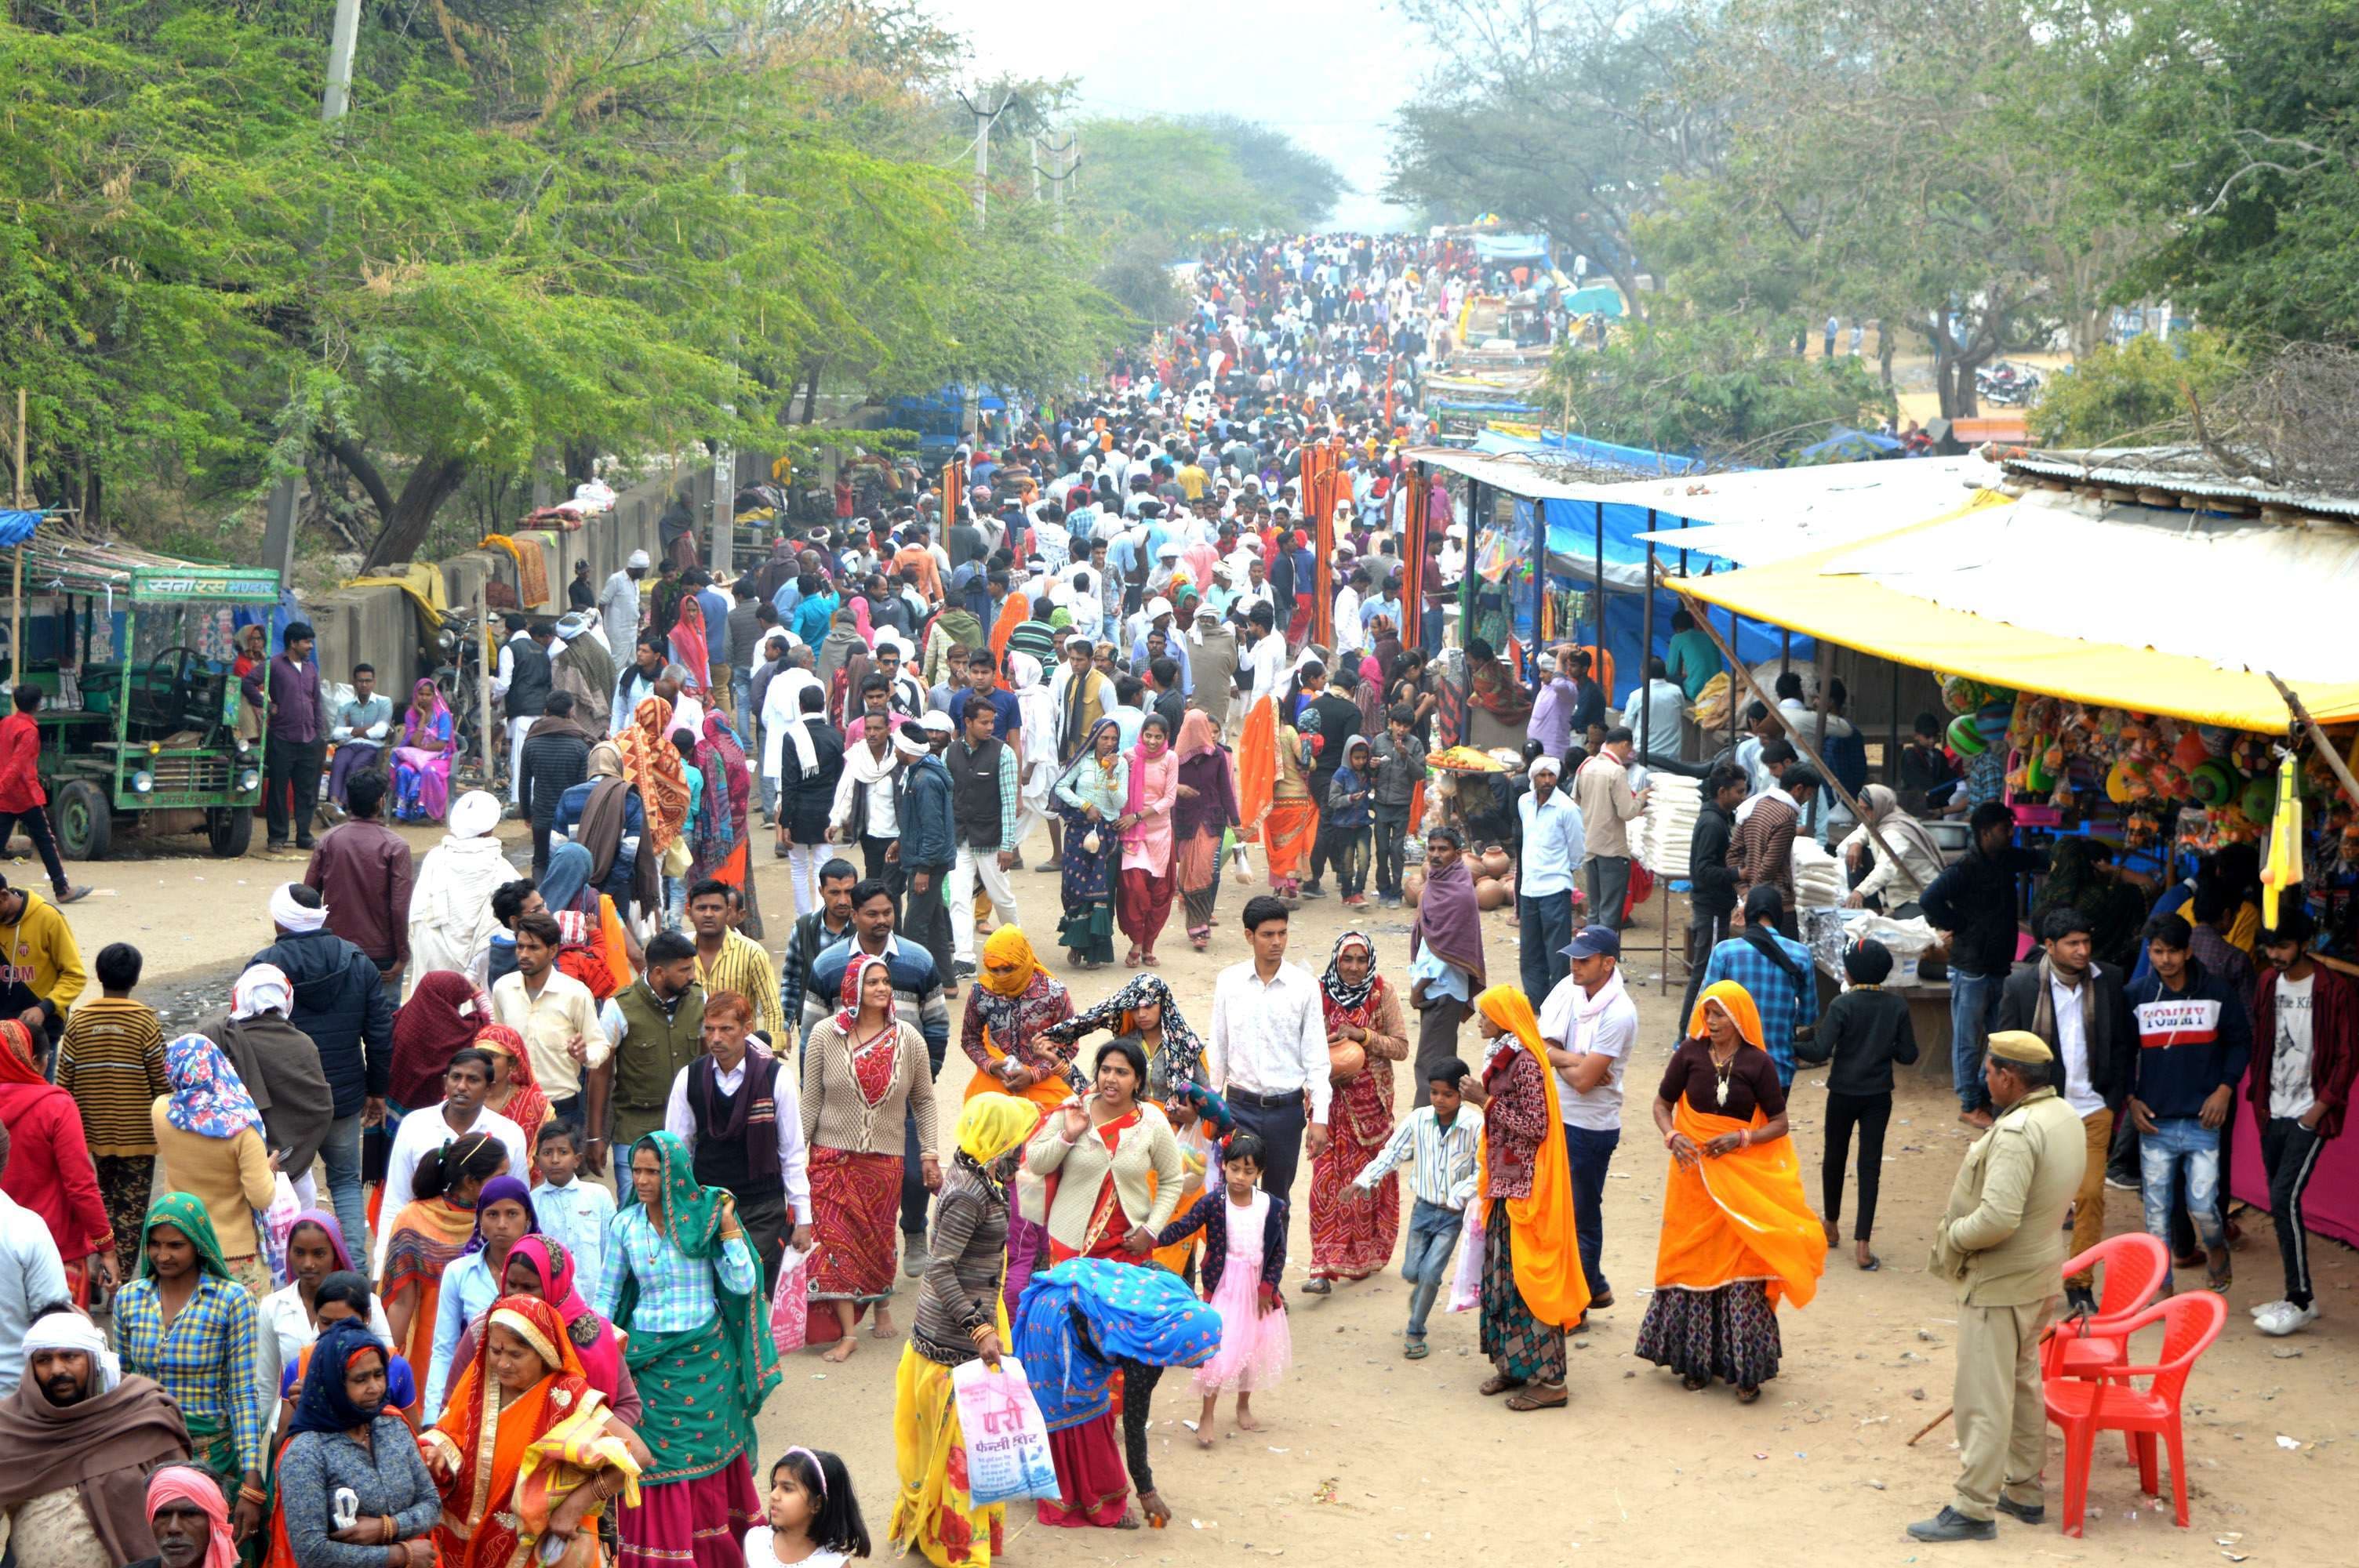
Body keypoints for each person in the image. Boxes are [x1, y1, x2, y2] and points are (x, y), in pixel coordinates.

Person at [1910, 1031, 2088, 1543]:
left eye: (1988, 1071)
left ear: (2008, 1077)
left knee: (1982, 1398)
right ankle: (2024, 1490)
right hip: (2038, 1275)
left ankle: (1973, 1507)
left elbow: (1997, 1218)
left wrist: (1954, 1239)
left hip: (2000, 1281)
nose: (1984, 1078)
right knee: (2022, 1384)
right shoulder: (2064, 1117)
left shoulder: (2017, 1132)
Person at [594, 1132, 780, 1566]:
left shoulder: (706, 1221)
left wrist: (730, 1226)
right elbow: (606, 1297)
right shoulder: (624, 1226)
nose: (640, 1180)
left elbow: (741, 1284)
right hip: (647, 1365)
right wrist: (595, 1352)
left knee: (711, 1462)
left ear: (674, 1175)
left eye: (652, 1172)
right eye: (637, 1170)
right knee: (653, 1464)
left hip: (707, 1360)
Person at [1636, 981, 1826, 1403]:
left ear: (1740, 1018)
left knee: (1742, 1265)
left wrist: (1741, 1139)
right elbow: (1661, 1104)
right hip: (1692, 1179)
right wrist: (1672, 1137)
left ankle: (1747, 1370)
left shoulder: (1758, 1064)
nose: (1712, 1021)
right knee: (1694, 1261)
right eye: (1708, 1013)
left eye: (1720, 1014)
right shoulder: (1688, 1054)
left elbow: (1780, 1123)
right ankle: (1694, 1363)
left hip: (1742, 1182)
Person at [889, 1097, 1035, 1568]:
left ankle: (947, 1539)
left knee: (972, 1449)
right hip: (952, 1342)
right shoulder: (968, 1193)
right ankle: (956, 1549)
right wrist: (979, 1329)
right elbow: (940, 1268)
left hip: (967, 1328)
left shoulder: (979, 1174)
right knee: (963, 1452)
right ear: (997, 1142)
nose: (1022, 1153)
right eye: (1016, 1143)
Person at [420, 1293, 649, 1568]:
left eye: (516, 1354)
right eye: (495, 1351)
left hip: (537, 1549)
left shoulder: (567, 1395)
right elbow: (450, 1431)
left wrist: (573, 1506)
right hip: (468, 1544)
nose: (503, 1363)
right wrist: (437, 1452)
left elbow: (638, 1455)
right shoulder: (480, 1382)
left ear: (544, 1352)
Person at [1012, 1255, 1220, 1532]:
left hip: (1077, 1279)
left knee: (1093, 1406)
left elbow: (1149, 1267)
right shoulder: (1145, 1356)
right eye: (1196, 1354)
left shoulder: (1180, 1294)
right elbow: (1134, 1426)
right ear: (1177, 1341)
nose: (1202, 1364)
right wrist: (1147, 1492)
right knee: (1076, 1409)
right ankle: (1080, 1497)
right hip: (1055, 1318)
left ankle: (1054, 1482)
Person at [1994, 906, 2134, 1308]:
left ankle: (2080, 1284)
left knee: (2090, 1195)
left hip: (2093, 1108)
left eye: (2086, 942)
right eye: (2072, 943)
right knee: (2036, 1200)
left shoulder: (2109, 981)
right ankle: (2028, 1279)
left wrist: (2115, 1095)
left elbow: (2122, 1043)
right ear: (2049, 946)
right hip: (2043, 1110)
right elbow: (2006, 1051)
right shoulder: (2021, 987)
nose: (2082, 950)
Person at [801, 954, 940, 1359]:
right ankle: (847, 1333)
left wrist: (929, 1152)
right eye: (872, 982)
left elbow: (925, 1101)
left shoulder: (909, 1039)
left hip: (884, 1157)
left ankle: (881, 1304)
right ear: (852, 990)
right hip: (831, 1154)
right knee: (836, 1243)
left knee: (877, 1239)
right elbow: (811, 1101)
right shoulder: (826, 1035)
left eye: (885, 982)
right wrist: (793, 1160)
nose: (882, 989)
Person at [114, 1194, 267, 1537]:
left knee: (212, 1546)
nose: (162, 1255)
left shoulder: (232, 1300)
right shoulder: (129, 1298)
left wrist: (251, 1478)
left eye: (175, 1245)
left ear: (198, 1244)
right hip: (145, 1452)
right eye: (154, 1244)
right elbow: (120, 1385)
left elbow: (243, 1393)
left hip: (212, 1457)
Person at [0, 1308, 192, 1566]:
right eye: (44, 1360)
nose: (57, 1369)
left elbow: (188, 1503)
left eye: (70, 1356)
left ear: (93, 1360)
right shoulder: (13, 1426)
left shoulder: (141, 1413)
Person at [2125, 913, 2250, 1294]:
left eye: (2173, 952)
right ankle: (2161, 1288)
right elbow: (2119, 1054)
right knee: (2157, 1214)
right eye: (2158, 951)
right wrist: (2130, 1100)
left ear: (2188, 951)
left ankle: (2216, 1247)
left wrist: (2226, 1088)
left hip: (2203, 1122)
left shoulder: (2217, 992)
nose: (2165, 960)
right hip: (2155, 1123)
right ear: (2150, 951)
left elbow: (2240, 1041)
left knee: (2203, 1207)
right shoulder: (2135, 997)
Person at [666, 989, 812, 1293]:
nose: (716, 1038)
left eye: (726, 1029)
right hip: (709, 1206)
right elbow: (678, 1151)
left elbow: (792, 1153)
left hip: (762, 1206)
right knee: (714, 1291)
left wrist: (803, 1218)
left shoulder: (775, 1078)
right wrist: (677, 1210)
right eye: (710, 1029)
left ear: (746, 1029)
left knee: (752, 1289)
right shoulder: (689, 1079)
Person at [1154, 1129, 1292, 1443]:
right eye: (1234, 1168)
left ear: (1260, 1173)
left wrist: (1267, 1289)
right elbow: (1185, 1226)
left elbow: (1278, 1251)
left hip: (1257, 1291)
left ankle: (1243, 1404)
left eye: (1248, 1171)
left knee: (1252, 1349)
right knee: (1218, 1349)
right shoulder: (1213, 1203)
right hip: (1226, 1285)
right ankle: (1207, 1413)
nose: (1240, 1177)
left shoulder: (1272, 1206)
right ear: (1224, 1166)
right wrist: (1152, 1237)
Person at [273, 1316, 442, 1568]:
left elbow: (432, 1504)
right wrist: (399, 1556)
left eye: (379, 1374)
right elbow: (312, 1552)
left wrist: (386, 1528)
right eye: (360, 1380)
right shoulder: (307, 1452)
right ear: (333, 1385)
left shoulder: (393, 1427)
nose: (375, 1388)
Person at [1921, 801, 2044, 1128]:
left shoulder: (2005, 861)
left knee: (1997, 1037)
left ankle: (1984, 1094)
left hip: (1999, 965)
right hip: (1970, 967)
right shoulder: (1963, 869)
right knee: (1966, 1038)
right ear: (1986, 832)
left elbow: (2039, 858)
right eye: (2006, 828)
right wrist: (1958, 924)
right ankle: (1969, 1104)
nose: (2011, 832)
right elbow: (1928, 899)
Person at [1800, 939, 1920, 1271]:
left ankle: (1832, 1226)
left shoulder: (1842, 1005)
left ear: (1851, 973)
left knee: (1834, 1157)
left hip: (1842, 1093)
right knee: (1870, 1166)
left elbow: (1821, 1050)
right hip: (1878, 1096)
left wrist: (1789, 1042)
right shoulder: (1896, 1007)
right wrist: (1887, 1047)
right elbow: (1909, 1055)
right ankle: (1863, 1246)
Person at [1536, 926, 1637, 1315]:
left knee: (1580, 1215)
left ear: (1608, 963)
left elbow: (1581, 1083)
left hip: (1590, 1127)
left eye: (1585, 959)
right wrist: (1577, 1058)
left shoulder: (1619, 1013)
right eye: (1574, 957)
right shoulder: (1568, 989)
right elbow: (1542, 1044)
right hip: (1557, 1115)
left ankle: (1576, 1305)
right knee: (1557, 1211)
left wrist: (1561, 1057)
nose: (1575, 965)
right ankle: (1594, 1287)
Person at [1207, 896, 1332, 1204]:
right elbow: (1218, 1047)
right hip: (1239, 1109)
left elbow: (1317, 1057)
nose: (1277, 942)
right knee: (1233, 1197)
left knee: (1277, 1203)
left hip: (1286, 1113)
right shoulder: (1229, 982)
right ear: (1249, 936)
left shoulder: (1304, 986)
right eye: (1267, 935)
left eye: (1282, 933)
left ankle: (1273, 1254)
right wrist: (1210, 1108)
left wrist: (1321, 1117)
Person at [1300, 932, 1407, 1294]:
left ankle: (1364, 1257)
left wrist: (1363, 1036)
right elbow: (1300, 1043)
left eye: (1361, 960)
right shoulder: (1317, 993)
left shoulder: (1382, 993)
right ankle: (1322, 1266)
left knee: (1366, 1183)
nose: (1354, 968)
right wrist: (1324, 1048)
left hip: (1371, 1108)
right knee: (1325, 1182)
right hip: (1327, 1105)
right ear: (1336, 960)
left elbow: (1401, 1047)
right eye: (1348, 960)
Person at [55, 941, 169, 1281]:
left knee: (99, 1207)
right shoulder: (144, 1021)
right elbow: (161, 1081)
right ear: (135, 978)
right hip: (139, 1139)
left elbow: (64, 1084)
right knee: (131, 1216)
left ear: (98, 975)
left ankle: (98, 1273)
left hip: (91, 1137)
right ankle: (118, 1283)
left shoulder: (79, 1021)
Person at [1354, 1056, 1480, 1359]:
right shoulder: (1418, 1119)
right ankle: (1420, 1289)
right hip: (1423, 1208)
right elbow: (1393, 1152)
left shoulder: (1476, 1125)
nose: (1440, 1099)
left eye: (1448, 1094)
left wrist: (1460, 1196)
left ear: (1462, 1093)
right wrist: (1363, 1180)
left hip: (1452, 1214)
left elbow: (1483, 1168)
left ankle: (1415, 1330)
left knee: (1432, 1273)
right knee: (1412, 1270)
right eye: (1435, 1092)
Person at [196, 964, 333, 1215]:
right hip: (292, 1176)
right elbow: (320, 1108)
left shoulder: (216, 1039)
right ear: (286, 999)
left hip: (230, 1173)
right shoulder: (303, 1045)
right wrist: (287, 1157)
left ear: (241, 996)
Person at [147, 1033, 277, 1298]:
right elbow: (261, 1198)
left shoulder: (162, 1112)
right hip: (236, 1254)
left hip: (184, 1244)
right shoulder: (242, 1127)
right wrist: (267, 1171)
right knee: (245, 1334)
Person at [379, 1131, 509, 1381]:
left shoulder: (501, 1220)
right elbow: (401, 1303)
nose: (506, 1183)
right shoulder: (414, 1220)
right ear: (472, 1182)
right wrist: (387, 1369)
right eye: (500, 1176)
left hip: (494, 1348)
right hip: (432, 1355)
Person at [377, 1050, 530, 1260]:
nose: (461, 1086)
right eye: (456, 1077)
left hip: (484, 1253)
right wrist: (382, 1262)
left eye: (473, 1080)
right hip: (422, 1250)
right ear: (444, 1082)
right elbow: (396, 1200)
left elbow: (518, 1203)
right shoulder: (415, 1125)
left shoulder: (509, 1134)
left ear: (489, 1088)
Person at [0, 1019, 109, 1309]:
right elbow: (81, 1185)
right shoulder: (56, 1106)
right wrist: (106, 1247)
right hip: (57, 1250)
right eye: (46, 1059)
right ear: (31, 1060)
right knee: (60, 1347)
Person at [255, 1210, 393, 1437]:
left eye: (319, 1254)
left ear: (335, 1253)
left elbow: (389, 1366)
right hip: (294, 1427)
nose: (308, 1263)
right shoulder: (273, 1307)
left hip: (356, 1427)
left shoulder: (369, 1305)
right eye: (299, 1253)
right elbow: (266, 1385)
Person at [421, 1174, 539, 1423]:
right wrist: (434, 1416)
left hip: (535, 1393)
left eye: (512, 1214)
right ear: (480, 1221)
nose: (502, 1224)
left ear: (527, 1218)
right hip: (473, 1392)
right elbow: (444, 1348)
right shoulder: (459, 1272)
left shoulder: (546, 1270)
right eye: (492, 1214)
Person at [1696, 884, 1819, 1087]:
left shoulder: (1725, 952)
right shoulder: (1801, 955)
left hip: (1729, 1071)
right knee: (1773, 1121)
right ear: (1778, 913)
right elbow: (1809, 1016)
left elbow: (1703, 1008)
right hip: (1777, 1071)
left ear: (1749, 912)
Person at [491, 912, 606, 1128]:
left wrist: (585, 1055)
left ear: (553, 950)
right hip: (514, 1103)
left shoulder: (575, 993)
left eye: (533, 948)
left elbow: (600, 1045)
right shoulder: (503, 989)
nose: (524, 954)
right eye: (520, 947)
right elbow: (499, 1044)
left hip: (561, 1108)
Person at [304, 770, 414, 989]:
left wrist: (311, 945)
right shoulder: (396, 846)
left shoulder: (329, 840)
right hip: (381, 953)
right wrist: (402, 954)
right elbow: (399, 907)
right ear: (380, 802)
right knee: (382, 1019)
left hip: (335, 948)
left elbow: (308, 896)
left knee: (339, 1016)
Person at [943, 690, 1022, 982]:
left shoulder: (1003, 754)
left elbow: (1008, 802)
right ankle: (964, 958)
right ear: (967, 723)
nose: (991, 727)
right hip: (960, 839)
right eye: (985, 722)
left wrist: (1007, 846)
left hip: (991, 841)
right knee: (959, 900)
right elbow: (947, 797)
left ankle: (1017, 946)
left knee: (1002, 898)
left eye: (993, 722)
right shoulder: (948, 753)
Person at [405, 789, 511, 994]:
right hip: (480, 968)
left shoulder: (435, 859)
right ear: (491, 826)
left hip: (434, 960)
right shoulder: (500, 866)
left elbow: (418, 914)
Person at [0, 684, 92, 904]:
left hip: (6, 797)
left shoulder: (6, 723)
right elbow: (17, 765)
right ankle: (61, 888)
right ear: (38, 704)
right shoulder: (29, 731)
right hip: (22, 795)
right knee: (45, 842)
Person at [1050, 717, 1125, 967]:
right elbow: (1060, 787)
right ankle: (1075, 944)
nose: (1109, 743)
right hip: (1079, 833)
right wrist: (1085, 805)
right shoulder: (1081, 761)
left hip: (1106, 836)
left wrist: (1112, 774)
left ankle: (1095, 952)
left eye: (1114, 739)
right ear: (1095, 738)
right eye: (1104, 738)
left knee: (1101, 893)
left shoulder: (1121, 764)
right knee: (1076, 889)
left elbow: (1120, 803)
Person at [248, 622, 329, 852]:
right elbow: (248, 683)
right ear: (293, 643)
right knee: (278, 790)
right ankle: (277, 837)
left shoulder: (311, 669)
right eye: (306, 642)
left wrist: (319, 733)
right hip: (282, 737)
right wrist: (268, 706)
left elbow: (317, 702)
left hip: (309, 738)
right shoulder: (274, 665)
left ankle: (304, 835)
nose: (310, 647)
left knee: (306, 790)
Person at [1516, 755, 1583, 1000]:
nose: (1546, 780)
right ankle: (1535, 1002)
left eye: (1550, 775)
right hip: (1529, 890)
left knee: (1557, 954)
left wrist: (1563, 871)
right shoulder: (1524, 802)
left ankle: (1557, 1004)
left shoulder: (1567, 809)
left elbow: (1577, 851)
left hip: (1555, 889)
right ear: (1533, 777)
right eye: (1542, 775)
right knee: (1530, 952)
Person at [0, 869, 87, 1058]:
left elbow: (74, 975)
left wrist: (44, 1008)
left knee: (41, 1087)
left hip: (41, 1032)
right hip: (2, 1035)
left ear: (4, 896)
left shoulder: (48, 918)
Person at [1172, 710, 1240, 950]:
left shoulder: (1218, 755)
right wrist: (1178, 788)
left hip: (1212, 821)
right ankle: (1197, 924)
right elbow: (1162, 785)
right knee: (1187, 874)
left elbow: (1226, 791)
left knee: (1203, 871)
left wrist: (1236, 822)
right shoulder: (1173, 758)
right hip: (1185, 821)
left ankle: (1199, 925)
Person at [684, 879, 785, 1040]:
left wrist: (767, 1055)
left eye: (716, 908)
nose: (708, 914)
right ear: (689, 913)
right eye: (701, 908)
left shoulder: (752, 953)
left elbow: (772, 1009)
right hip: (692, 1055)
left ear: (728, 912)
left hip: (740, 1054)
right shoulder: (680, 955)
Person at [1115, 712, 1180, 964]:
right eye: (1148, 736)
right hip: (1133, 835)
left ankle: (1147, 946)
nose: (1152, 742)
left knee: (1159, 893)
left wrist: (1138, 816)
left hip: (1159, 832)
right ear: (1141, 735)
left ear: (1166, 737)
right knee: (1134, 890)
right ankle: (1136, 940)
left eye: (1158, 737)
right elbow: (1118, 787)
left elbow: (1169, 799)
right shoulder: (1129, 757)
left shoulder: (1171, 758)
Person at [1573, 728, 1650, 931]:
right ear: (1625, 745)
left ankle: (1590, 956)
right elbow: (1627, 812)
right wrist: (1642, 798)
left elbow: (1576, 802)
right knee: (1609, 912)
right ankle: (1605, 958)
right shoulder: (1616, 771)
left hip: (1590, 846)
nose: (1628, 754)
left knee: (1595, 910)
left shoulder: (1586, 766)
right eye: (1629, 749)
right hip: (1612, 850)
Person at [1729, 762, 1820, 930]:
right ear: (1798, 788)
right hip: (1777, 903)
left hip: (1754, 898)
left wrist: (1745, 893)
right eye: (1809, 794)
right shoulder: (1787, 817)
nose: (1807, 799)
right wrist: (1751, 901)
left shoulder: (1756, 805)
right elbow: (1769, 866)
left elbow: (1733, 855)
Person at [518, 691, 596, 877]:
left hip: (542, 817)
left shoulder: (531, 743)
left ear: (546, 712)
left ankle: (543, 904)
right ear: (570, 712)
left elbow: (524, 783)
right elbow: (582, 789)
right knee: (571, 866)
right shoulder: (581, 745)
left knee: (540, 863)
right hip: (571, 820)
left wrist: (527, 814)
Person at [1839, 782, 1945, 911]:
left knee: (1905, 925)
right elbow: (1861, 831)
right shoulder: (1878, 819)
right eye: (1860, 809)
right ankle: (1872, 908)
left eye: (1866, 809)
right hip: (1894, 884)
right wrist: (1856, 844)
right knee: (1854, 857)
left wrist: (1860, 892)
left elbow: (1886, 869)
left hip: (1915, 893)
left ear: (1879, 807)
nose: (1862, 814)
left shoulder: (1896, 831)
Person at [781, 858, 859, 1024]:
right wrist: (785, 1024)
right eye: (835, 893)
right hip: (813, 1024)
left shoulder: (866, 929)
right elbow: (791, 980)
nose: (843, 901)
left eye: (849, 892)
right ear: (821, 891)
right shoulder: (803, 929)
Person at [387, 679, 453, 824]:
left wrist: (424, 750)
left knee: (430, 771)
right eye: (421, 694)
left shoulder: (442, 716)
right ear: (415, 695)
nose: (424, 698)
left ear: (434, 696)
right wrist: (422, 717)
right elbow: (415, 742)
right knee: (403, 770)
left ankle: (430, 811)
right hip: (416, 758)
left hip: (439, 758)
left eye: (428, 695)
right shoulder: (412, 714)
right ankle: (403, 813)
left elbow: (441, 745)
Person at [1662, 608, 1723, 700]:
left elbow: (1671, 671)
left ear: (1677, 629)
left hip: (1696, 691)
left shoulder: (1678, 638)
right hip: (1717, 687)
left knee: (1660, 678)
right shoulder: (1709, 636)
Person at [602, 550, 650, 662]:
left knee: (632, 664)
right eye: (643, 571)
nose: (644, 574)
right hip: (618, 632)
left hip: (632, 631)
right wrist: (601, 626)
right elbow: (603, 602)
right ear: (635, 569)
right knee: (616, 663)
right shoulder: (616, 580)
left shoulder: (636, 581)